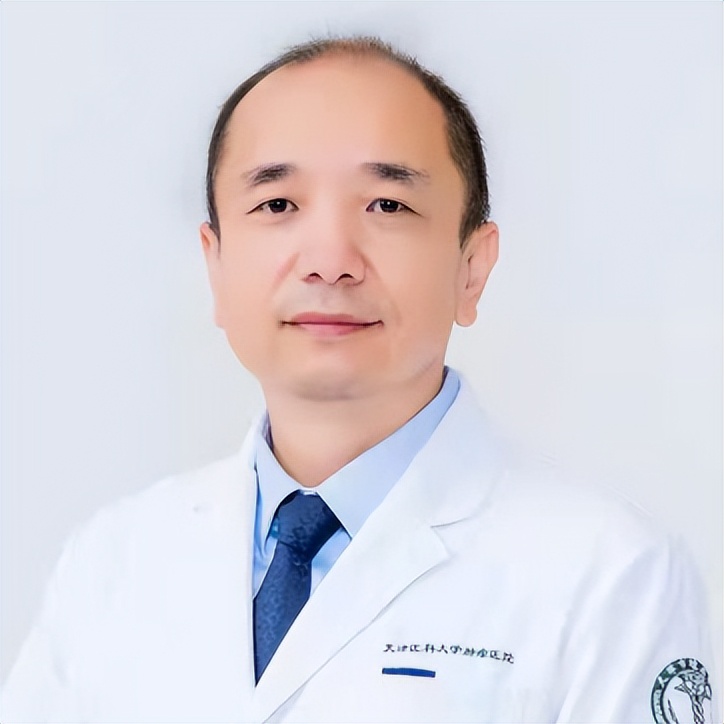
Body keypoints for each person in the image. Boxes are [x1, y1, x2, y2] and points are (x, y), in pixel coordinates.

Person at [1, 36, 718, 724]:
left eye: (388, 205)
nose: (330, 261)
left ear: (472, 267)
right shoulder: (113, 559)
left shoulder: (613, 575)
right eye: (278, 205)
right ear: (215, 266)